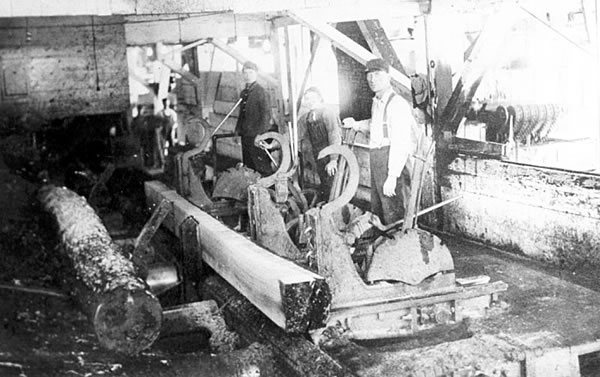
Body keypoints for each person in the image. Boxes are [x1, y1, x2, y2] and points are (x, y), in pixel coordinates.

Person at [343, 58, 422, 225]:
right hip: (378, 160)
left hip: (393, 162)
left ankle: (400, 248)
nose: (372, 79)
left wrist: (392, 176)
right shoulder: (377, 102)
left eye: (377, 75)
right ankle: (384, 247)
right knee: (380, 211)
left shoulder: (397, 104)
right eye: (370, 75)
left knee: (396, 214)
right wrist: (355, 124)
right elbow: (376, 126)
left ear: (388, 77)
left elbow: (400, 143)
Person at [298, 87, 342, 200]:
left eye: (313, 98)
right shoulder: (306, 118)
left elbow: (334, 135)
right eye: (307, 99)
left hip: (331, 154)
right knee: (324, 183)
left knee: (333, 186)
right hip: (318, 155)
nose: (310, 101)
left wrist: (333, 160)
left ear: (320, 98)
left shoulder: (328, 113)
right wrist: (274, 144)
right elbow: (294, 135)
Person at [235, 61, 273, 175]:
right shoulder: (244, 93)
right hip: (246, 135)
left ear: (256, 74)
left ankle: (268, 191)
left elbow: (266, 116)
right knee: (248, 165)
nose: (248, 76)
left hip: (257, 136)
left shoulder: (261, 92)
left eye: (251, 73)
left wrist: (260, 136)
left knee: (261, 166)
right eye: (245, 73)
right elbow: (242, 114)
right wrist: (237, 131)